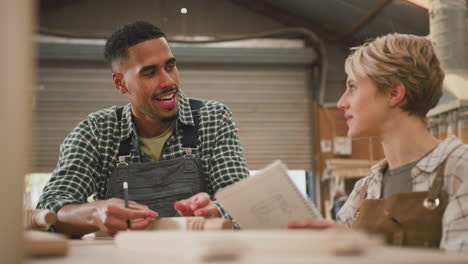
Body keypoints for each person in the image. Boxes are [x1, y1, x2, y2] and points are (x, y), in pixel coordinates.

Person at [37, 21, 249, 237]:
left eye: (170, 67)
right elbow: (48, 210)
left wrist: (215, 213)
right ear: (120, 84)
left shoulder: (212, 118)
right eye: (149, 73)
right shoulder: (97, 131)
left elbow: (243, 204)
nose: (168, 81)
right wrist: (94, 213)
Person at [288, 33, 468, 252]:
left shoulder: (459, 168)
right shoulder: (365, 190)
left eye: (353, 87)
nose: (341, 102)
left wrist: (365, 249)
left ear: (393, 93)